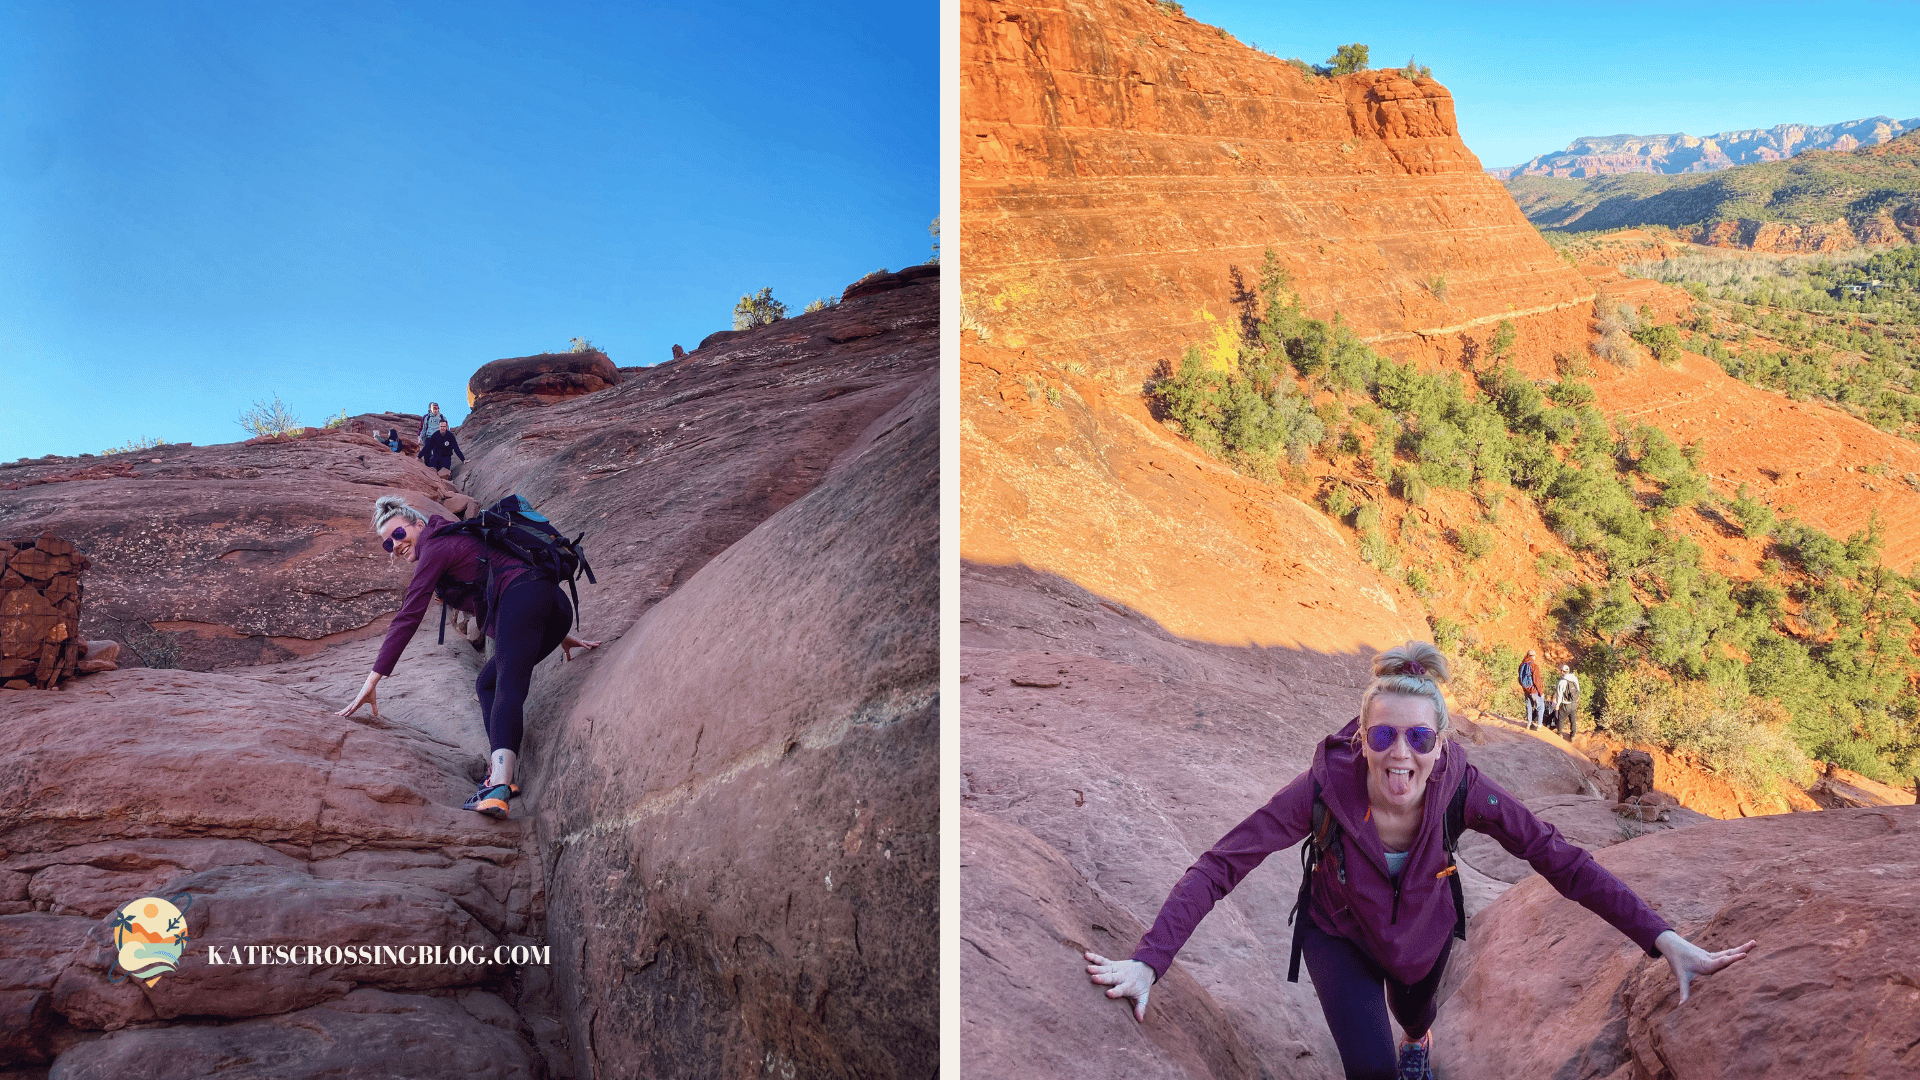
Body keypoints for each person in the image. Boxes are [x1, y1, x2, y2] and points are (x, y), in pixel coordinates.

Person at [1084, 641, 1754, 1080]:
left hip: (1422, 936)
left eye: (1418, 737)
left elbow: (1560, 860)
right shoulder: (1325, 786)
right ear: (1362, 738)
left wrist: (1661, 938)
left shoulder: (1463, 788)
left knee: (1416, 1017)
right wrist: (1148, 962)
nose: (1400, 752)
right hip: (1340, 934)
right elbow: (1222, 864)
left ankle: (1419, 1042)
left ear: (1439, 745)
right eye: (1382, 734)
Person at [337, 496, 600, 819]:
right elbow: (504, 587)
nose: (395, 546)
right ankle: (500, 772)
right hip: (551, 607)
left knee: (507, 685)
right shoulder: (460, 540)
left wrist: (374, 678)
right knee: (487, 682)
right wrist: (557, 632)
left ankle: (500, 786)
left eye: (398, 535)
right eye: (387, 545)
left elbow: (408, 615)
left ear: (419, 525)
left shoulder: (437, 547)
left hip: (529, 601)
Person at [1519, 649, 1545, 730]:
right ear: (1533, 656)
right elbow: (1537, 681)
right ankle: (1539, 725)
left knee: (1529, 707)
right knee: (1540, 707)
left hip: (1526, 690)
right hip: (1534, 691)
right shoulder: (1534, 666)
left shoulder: (1521, 665)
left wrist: (1525, 688)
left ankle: (1529, 724)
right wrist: (1541, 692)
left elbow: (1520, 679)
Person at [1554, 664, 1582, 739]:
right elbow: (1578, 690)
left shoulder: (1562, 682)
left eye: (1561, 671)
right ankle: (1573, 735)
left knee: (1561, 719)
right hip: (1573, 703)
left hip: (1565, 704)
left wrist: (1557, 704)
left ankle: (1559, 733)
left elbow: (1559, 694)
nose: (1561, 672)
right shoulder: (1574, 678)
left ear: (1563, 672)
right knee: (1573, 720)